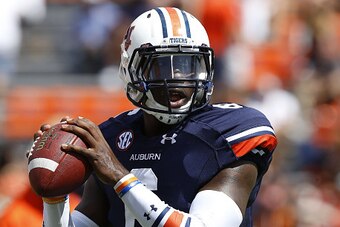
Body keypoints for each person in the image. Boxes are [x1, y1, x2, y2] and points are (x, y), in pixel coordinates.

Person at [31, 7, 277, 227]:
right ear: (131, 69)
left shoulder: (230, 132)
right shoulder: (112, 138)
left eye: (187, 64)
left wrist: (119, 176)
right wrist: (54, 196)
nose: (176, 77)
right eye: (161, 65)